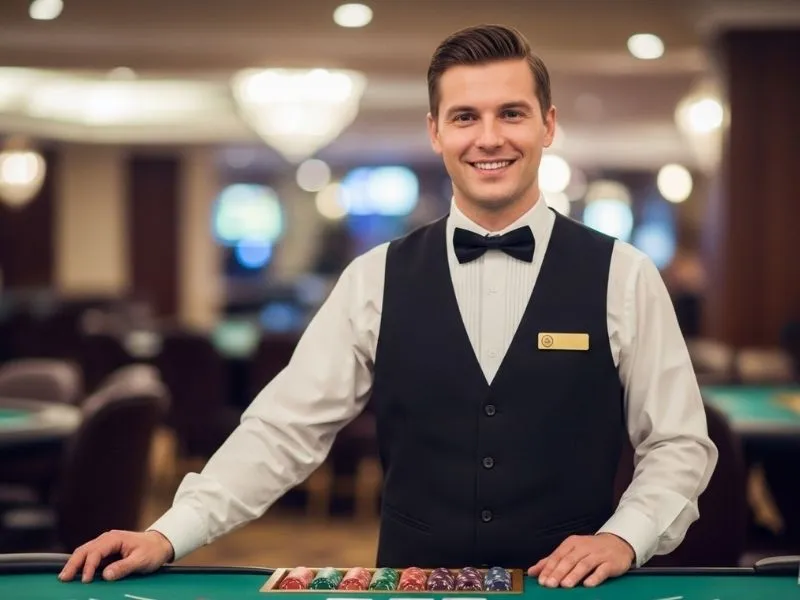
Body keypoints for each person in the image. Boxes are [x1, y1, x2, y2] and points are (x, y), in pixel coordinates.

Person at [59, 24, 717, 589]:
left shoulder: (623, 275)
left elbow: (679, 445)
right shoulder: (374, 277)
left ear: (548, 124)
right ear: (435, 131)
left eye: (511, 113)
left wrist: (626, 537)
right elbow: (283, 431)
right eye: (465, 116)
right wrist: (169, 533)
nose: (489, 137)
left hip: (566, 590)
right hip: (409, 586)